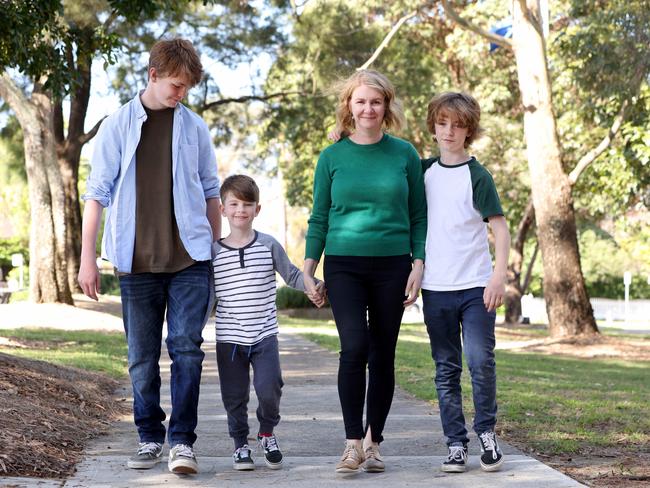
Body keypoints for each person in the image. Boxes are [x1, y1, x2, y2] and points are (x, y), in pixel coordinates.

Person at [78, 38, 220, 475]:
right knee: (141, 356)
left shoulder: (193, 127)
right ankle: (149, 437)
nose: (181, 95)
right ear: (153, 75)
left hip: (190, 258)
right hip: (134, 260)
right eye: (176, 86)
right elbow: (97, 194)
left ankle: (182, 442)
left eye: (187, 89)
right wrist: (87, 258)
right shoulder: (117, 125)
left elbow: (211, 190)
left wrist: (216, 250)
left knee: (187, 351)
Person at [303, 69, 427, 474]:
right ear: (349, 107)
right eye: (360, 101)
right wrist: (308, 269)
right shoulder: (332, 156)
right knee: (354, 348)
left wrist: (418, 263)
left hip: (393, 264)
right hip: (344, 265)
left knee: (383, 354)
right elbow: (319, 216)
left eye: (375, 101)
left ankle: (374, 443)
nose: (368, 108)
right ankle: (352, 442)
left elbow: (418, 217)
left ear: (386, 106)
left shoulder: (405, 154)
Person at [421, 92, 510, 473]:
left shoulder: (478, 174)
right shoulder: (422, 171)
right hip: (435, 287)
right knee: (445, 368)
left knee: (479, 362)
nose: (449, 131)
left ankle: (486, 433)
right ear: (434, 126)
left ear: (468, 129)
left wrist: (498, 276)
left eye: (458, 125)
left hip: (476, 287)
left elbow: (500, 229)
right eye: (442, 123)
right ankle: (456, 443)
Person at [212, 175, 325, 472]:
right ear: (222, 209)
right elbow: (207, 298)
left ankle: (266, 433)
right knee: (234, 396)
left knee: (269, 388)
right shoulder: (213, 253)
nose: (240, 210)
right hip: (229, 340)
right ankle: (240, 445)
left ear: (257, 209)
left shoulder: (268, 244)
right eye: (233, 204)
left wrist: (313, 284)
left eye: (247, 204)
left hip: (264, 336)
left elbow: (292, 275)